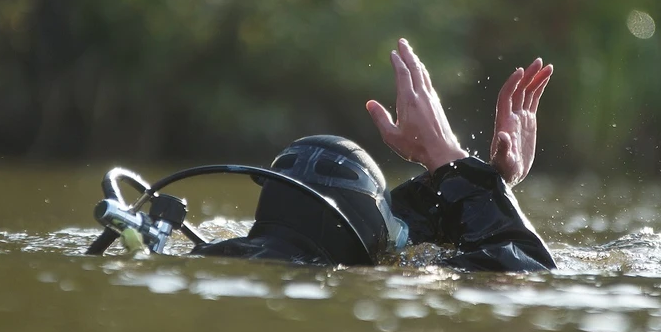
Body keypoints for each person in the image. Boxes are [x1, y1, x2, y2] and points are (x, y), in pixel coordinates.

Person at [193, 38, 555, 272]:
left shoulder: (221, 257)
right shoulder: (344, 282)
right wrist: (445, 156)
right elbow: (528, 269)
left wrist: (485, 179)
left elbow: (382, 225)